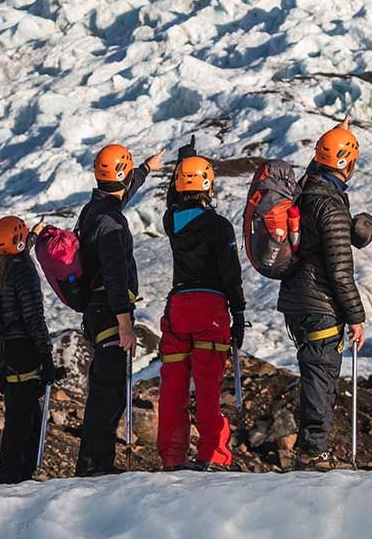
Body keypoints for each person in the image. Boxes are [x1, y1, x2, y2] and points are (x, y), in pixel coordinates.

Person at [276, 119, 367, 469]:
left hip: (297, 300)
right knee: (321, 374)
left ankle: (315, 448)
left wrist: (334, 134)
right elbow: (340, 271)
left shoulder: (307, 190)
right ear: (347, 163)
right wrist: (356, 317)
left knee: (316, 371)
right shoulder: (331, 206)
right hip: (320, 303)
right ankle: (313, 452)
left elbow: (322, 163)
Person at [73, 143, 164, 476]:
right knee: (109, 393)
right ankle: (96, 465)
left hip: (96, 310)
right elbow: (114, 274)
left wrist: (146, 169)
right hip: (109, 310)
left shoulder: (95, 210)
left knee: (105, 388)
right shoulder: (111, 222)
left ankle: (93, 462)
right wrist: (125, 323)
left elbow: (119, 195)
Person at [156, 141, 246, 470]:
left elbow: (173, 201)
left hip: (178, 307)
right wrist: (238, 313)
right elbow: (230, 273)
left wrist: (182, 165)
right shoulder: (219, 226)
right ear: (208, 184)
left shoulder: (172, 222)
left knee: (173, 387)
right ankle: (213, 455)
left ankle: (172, 457)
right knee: (207, 387)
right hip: (210, 308)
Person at [0, 215, 64, 484]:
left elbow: (16, 248)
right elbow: (33, 317)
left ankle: (17, 475)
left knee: (24, 414)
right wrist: (46, 357)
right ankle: (13, 478)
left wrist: (33, 235)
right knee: (21, 419)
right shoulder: (22, 272)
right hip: (21, 352)